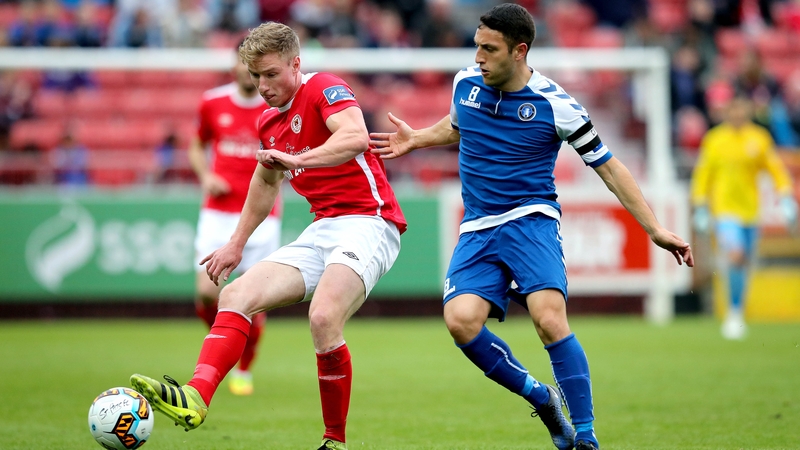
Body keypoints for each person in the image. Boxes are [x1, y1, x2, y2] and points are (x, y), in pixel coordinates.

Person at [369, 4, 693, 450]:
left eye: (489, 49)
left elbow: (610, 168)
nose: (478, 57)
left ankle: (586, 436)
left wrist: (654, 228)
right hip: (478, 226)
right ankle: (540, 398)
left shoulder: (555, 105)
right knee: (460, 321)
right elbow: (459, 124)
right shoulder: (466, 84)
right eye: (477, 46)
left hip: (531, 220)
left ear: (519, 51)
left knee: (547, 318)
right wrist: (420, 137)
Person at [131, 21, 407, 450]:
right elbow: (264, 184)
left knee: (322, 317)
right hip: (323, 227)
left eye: (271, 74)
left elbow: (354, 138)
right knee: (234, 296)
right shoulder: (268, 121)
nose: (262, 85)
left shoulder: (325, 88)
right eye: (256, 76)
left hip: (370, 221)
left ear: (296, 65)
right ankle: (196, 395)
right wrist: (235, 244)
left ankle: (335, 441)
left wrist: (299, 157)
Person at [185, 48, 284, 396]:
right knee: (206, 293)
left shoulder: (275, 106)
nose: (247, 73)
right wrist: (205, 176)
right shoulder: (211, 102)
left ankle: (243, 367)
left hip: (261, 217)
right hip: (217, 212)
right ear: (232, 67)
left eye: (254, 68)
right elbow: (196, 146)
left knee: (250, 299)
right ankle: (223, 343)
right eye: (241, 65)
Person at [690, 96, 797, 340]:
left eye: (742, 110)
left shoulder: (758, 138)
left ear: (747, 111)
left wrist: (786, 197)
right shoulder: (715, 140)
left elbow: (775, 170)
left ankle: (737, 309)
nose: (737, 114)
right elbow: (703, 174)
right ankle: (734, 314)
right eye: (733, 110)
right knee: (736, 255)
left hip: (751, 212)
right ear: (728, 112)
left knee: (744, 263)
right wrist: (700, 206)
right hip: (725, 211)